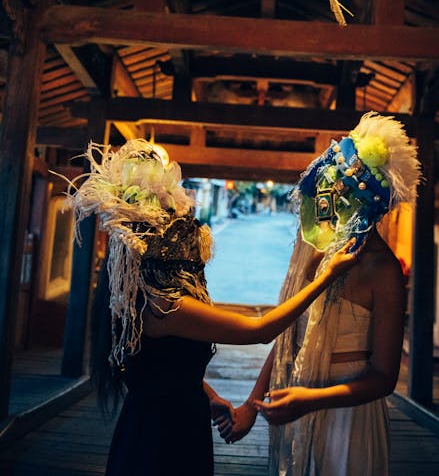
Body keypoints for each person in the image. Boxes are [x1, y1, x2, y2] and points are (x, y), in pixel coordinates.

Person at [65, 138, 361, 476]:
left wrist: (207, 394)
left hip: (175, 419)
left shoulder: (142, 297)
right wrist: (323, 279)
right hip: (162, 440)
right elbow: (259, 330)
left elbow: (163, 368)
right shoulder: (164, 307)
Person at [215, 111, 421, 476]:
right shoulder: (316, 249)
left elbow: (384, 376)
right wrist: (252, 402)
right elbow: (289, 334)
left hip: (347, 420)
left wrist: (312, 400)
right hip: (295, 402)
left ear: (361, 204)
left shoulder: (384, 270)